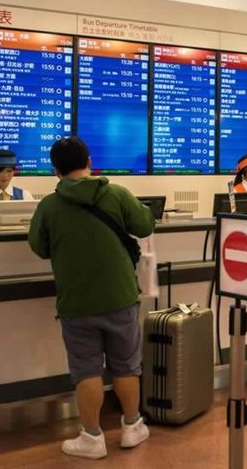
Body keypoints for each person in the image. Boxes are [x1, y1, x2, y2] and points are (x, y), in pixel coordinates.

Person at [28, 137, 155, 459]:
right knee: (127, 365)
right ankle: (131, 426)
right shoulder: (116, 193)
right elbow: (144, 225)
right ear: (89, 161)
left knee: (86, 370)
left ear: (55, 170)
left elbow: (39, 247)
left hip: (77, 300)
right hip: (120, 295)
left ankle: (92, 437)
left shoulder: (49, 205)